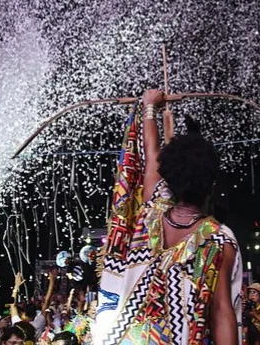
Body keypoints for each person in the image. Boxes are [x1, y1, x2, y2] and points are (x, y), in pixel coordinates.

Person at [94, 90, 242, 345]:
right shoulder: (218, 241)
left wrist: (149, 106)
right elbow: (221, 312)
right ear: (211, 184)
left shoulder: (149, 210)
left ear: (169, 176)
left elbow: (151, 154)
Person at [11, 270, 58, 342]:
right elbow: (46, 303)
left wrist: (16, 287)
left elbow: (12, 305)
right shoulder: (38, 324)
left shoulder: (18, 324)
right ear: (35, 315)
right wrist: (52, 281)